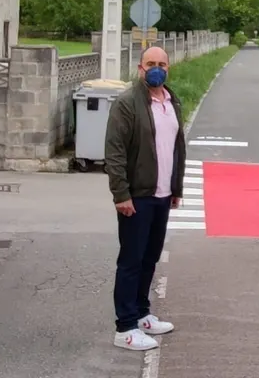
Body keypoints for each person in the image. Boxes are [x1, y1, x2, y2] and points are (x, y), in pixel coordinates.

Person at [104, 46, 186, 351]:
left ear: (168, 68)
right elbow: (115, 152)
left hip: (162, 195)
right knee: (131, 261)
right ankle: (125, 327)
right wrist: (121, 194)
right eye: (150, 63)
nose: (157, 69)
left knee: (149, 258)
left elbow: (176, 148)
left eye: (162, 64)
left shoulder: (171, 100)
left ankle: (141, 314)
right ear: (140, 68)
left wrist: (175, 188)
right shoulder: (127, 103)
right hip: (136, 196)